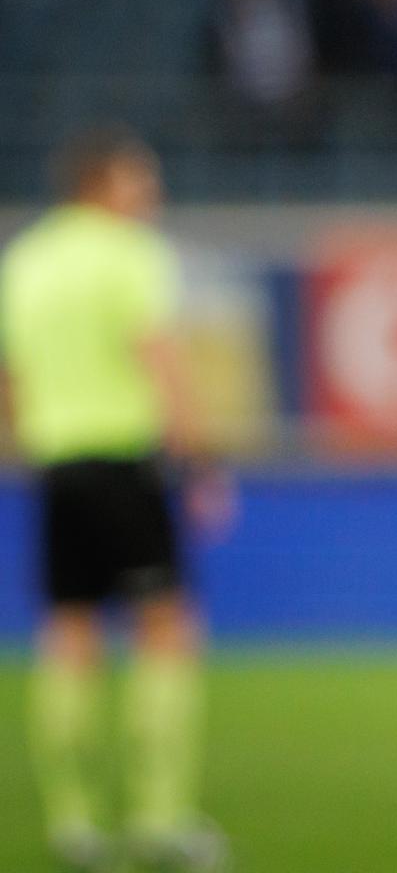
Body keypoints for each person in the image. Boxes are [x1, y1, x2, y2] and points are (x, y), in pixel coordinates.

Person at [0, 128, 229, 872]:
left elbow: (11, 376)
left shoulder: (25, 260)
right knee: (166, 627)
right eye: (141, 179)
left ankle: (74, 823)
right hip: (125, 463)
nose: (151, 192)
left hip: (55, 463)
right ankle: (158, 818)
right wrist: (198, 462)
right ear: (104, 184)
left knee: (68, 632)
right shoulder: (131, 256)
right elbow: (160, 359)